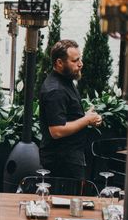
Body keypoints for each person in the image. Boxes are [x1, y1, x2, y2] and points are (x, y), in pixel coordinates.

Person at [39, 40, 102, 179]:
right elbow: (57, 130)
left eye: (80, 58)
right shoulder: (55, 90)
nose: (81, 64)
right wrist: (86, 120)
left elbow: (66, 117)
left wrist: (87, 117)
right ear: (59, 63)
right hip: (62, 162)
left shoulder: (65, 81)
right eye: (75, 60)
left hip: (70, 158)